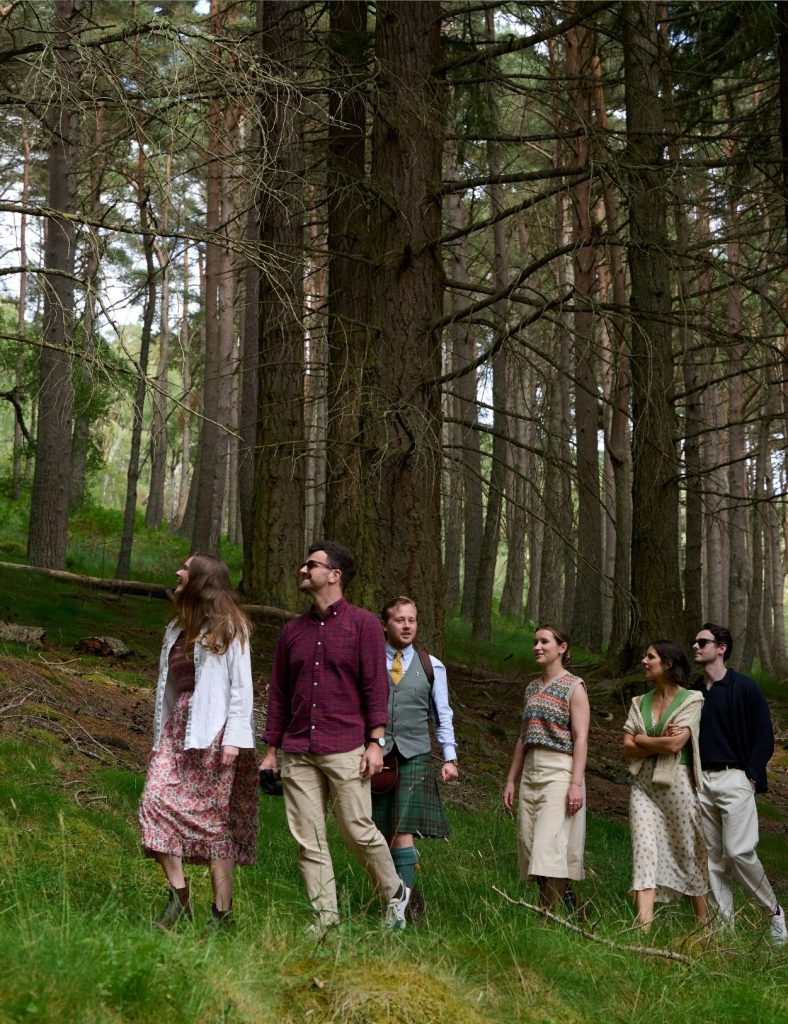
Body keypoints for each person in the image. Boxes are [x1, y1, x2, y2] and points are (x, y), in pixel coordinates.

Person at [258, 540, 411, 932]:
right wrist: (271, 750)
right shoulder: (292, 631)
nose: (302, 570)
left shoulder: (362, 625)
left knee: (357, 830)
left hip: (346, 746)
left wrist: (376, 742)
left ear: (334, 575)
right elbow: (279, 693)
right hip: (297, 749)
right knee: (308, 838)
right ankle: (325, 920)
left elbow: (377, 687)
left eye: (311, 565)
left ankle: (394, 894)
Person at [139, 555, 258, 931]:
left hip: (216, 734)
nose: (177, 572)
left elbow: (242, 689)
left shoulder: (231, 626)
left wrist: (234, 740)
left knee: (213, 826)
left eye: (185, 569)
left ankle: (222, 913)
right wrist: (162, 734)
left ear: (202, 580)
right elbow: (169, 688)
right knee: (154, 803)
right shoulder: (177, 627)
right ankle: (179, 894)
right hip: (178, 732)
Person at [681, 623, 786, 944]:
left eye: (703, 642)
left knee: (739, 851)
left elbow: (764, 737)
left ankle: (775, 913)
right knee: (713, 860)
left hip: (736, 778)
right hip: (703, 782)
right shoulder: (694, 693)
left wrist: (750, 776)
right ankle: (724, 933)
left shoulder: (745, 688)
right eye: (694, 642)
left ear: (721, 648)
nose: (696, 647)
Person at [373, 597, 459, 925]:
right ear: (385, 624)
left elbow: (443, 714)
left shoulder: (430, 665)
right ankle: (388, 895)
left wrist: (449, 757)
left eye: (412, 620)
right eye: (399, 620)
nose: (407, 626)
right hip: (375, 756)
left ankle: (398, 912)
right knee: (376, 833)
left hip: (415, 755)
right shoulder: (369, 661)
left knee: (403, 831)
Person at [622, 640, 707, 932]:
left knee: (687, 852)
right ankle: (642, 931)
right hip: (643, 788)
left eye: (651, 657)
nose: (644, 661)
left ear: (668, 664)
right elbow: (627, 746)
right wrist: (652, 742)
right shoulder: (638, 702)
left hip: (679, 787)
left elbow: (675, 744)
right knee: (643, 851)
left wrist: (643, 739)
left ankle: (702, 926)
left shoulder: (692, 699)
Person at [503, 625, 589, 910]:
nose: (537, 647)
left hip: (560, 771)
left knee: (549, 846)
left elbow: (581, 738)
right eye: (535, 642)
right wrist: (511, 779)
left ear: (562, 648)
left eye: (544, 641)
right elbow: (522, 736)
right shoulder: (531, 688)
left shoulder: (574, 687)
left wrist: (575, 784)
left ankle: (546, 920)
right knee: (530, 844)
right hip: (530, 770)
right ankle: (571, 905)